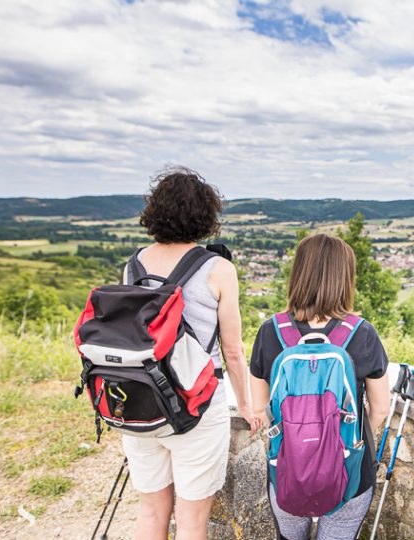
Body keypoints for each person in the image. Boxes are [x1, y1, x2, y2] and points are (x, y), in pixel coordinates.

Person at [121, 167, 261, 540]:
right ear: (206, 216)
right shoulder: (217, 269)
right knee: (191, 519)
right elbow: (232, 350)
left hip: (140, 398)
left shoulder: (133, 264)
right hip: (195, 403)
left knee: (150, 511)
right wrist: (245, 404)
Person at [250, 233, 390, 540]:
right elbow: (380, 409)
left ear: (298, 274)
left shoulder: (270, 332)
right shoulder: (363, 333)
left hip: (287, 466)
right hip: (349, 470)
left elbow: (262, 408)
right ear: (345, 277)